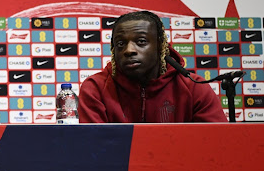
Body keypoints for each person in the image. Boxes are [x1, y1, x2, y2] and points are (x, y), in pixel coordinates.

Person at [78, 10, 226, 123]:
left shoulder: (194, 88)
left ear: (161, 46)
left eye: (141, 41)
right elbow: (94, 151)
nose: (129, 50)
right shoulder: (95, 89)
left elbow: (215, 146)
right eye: (121, 44)